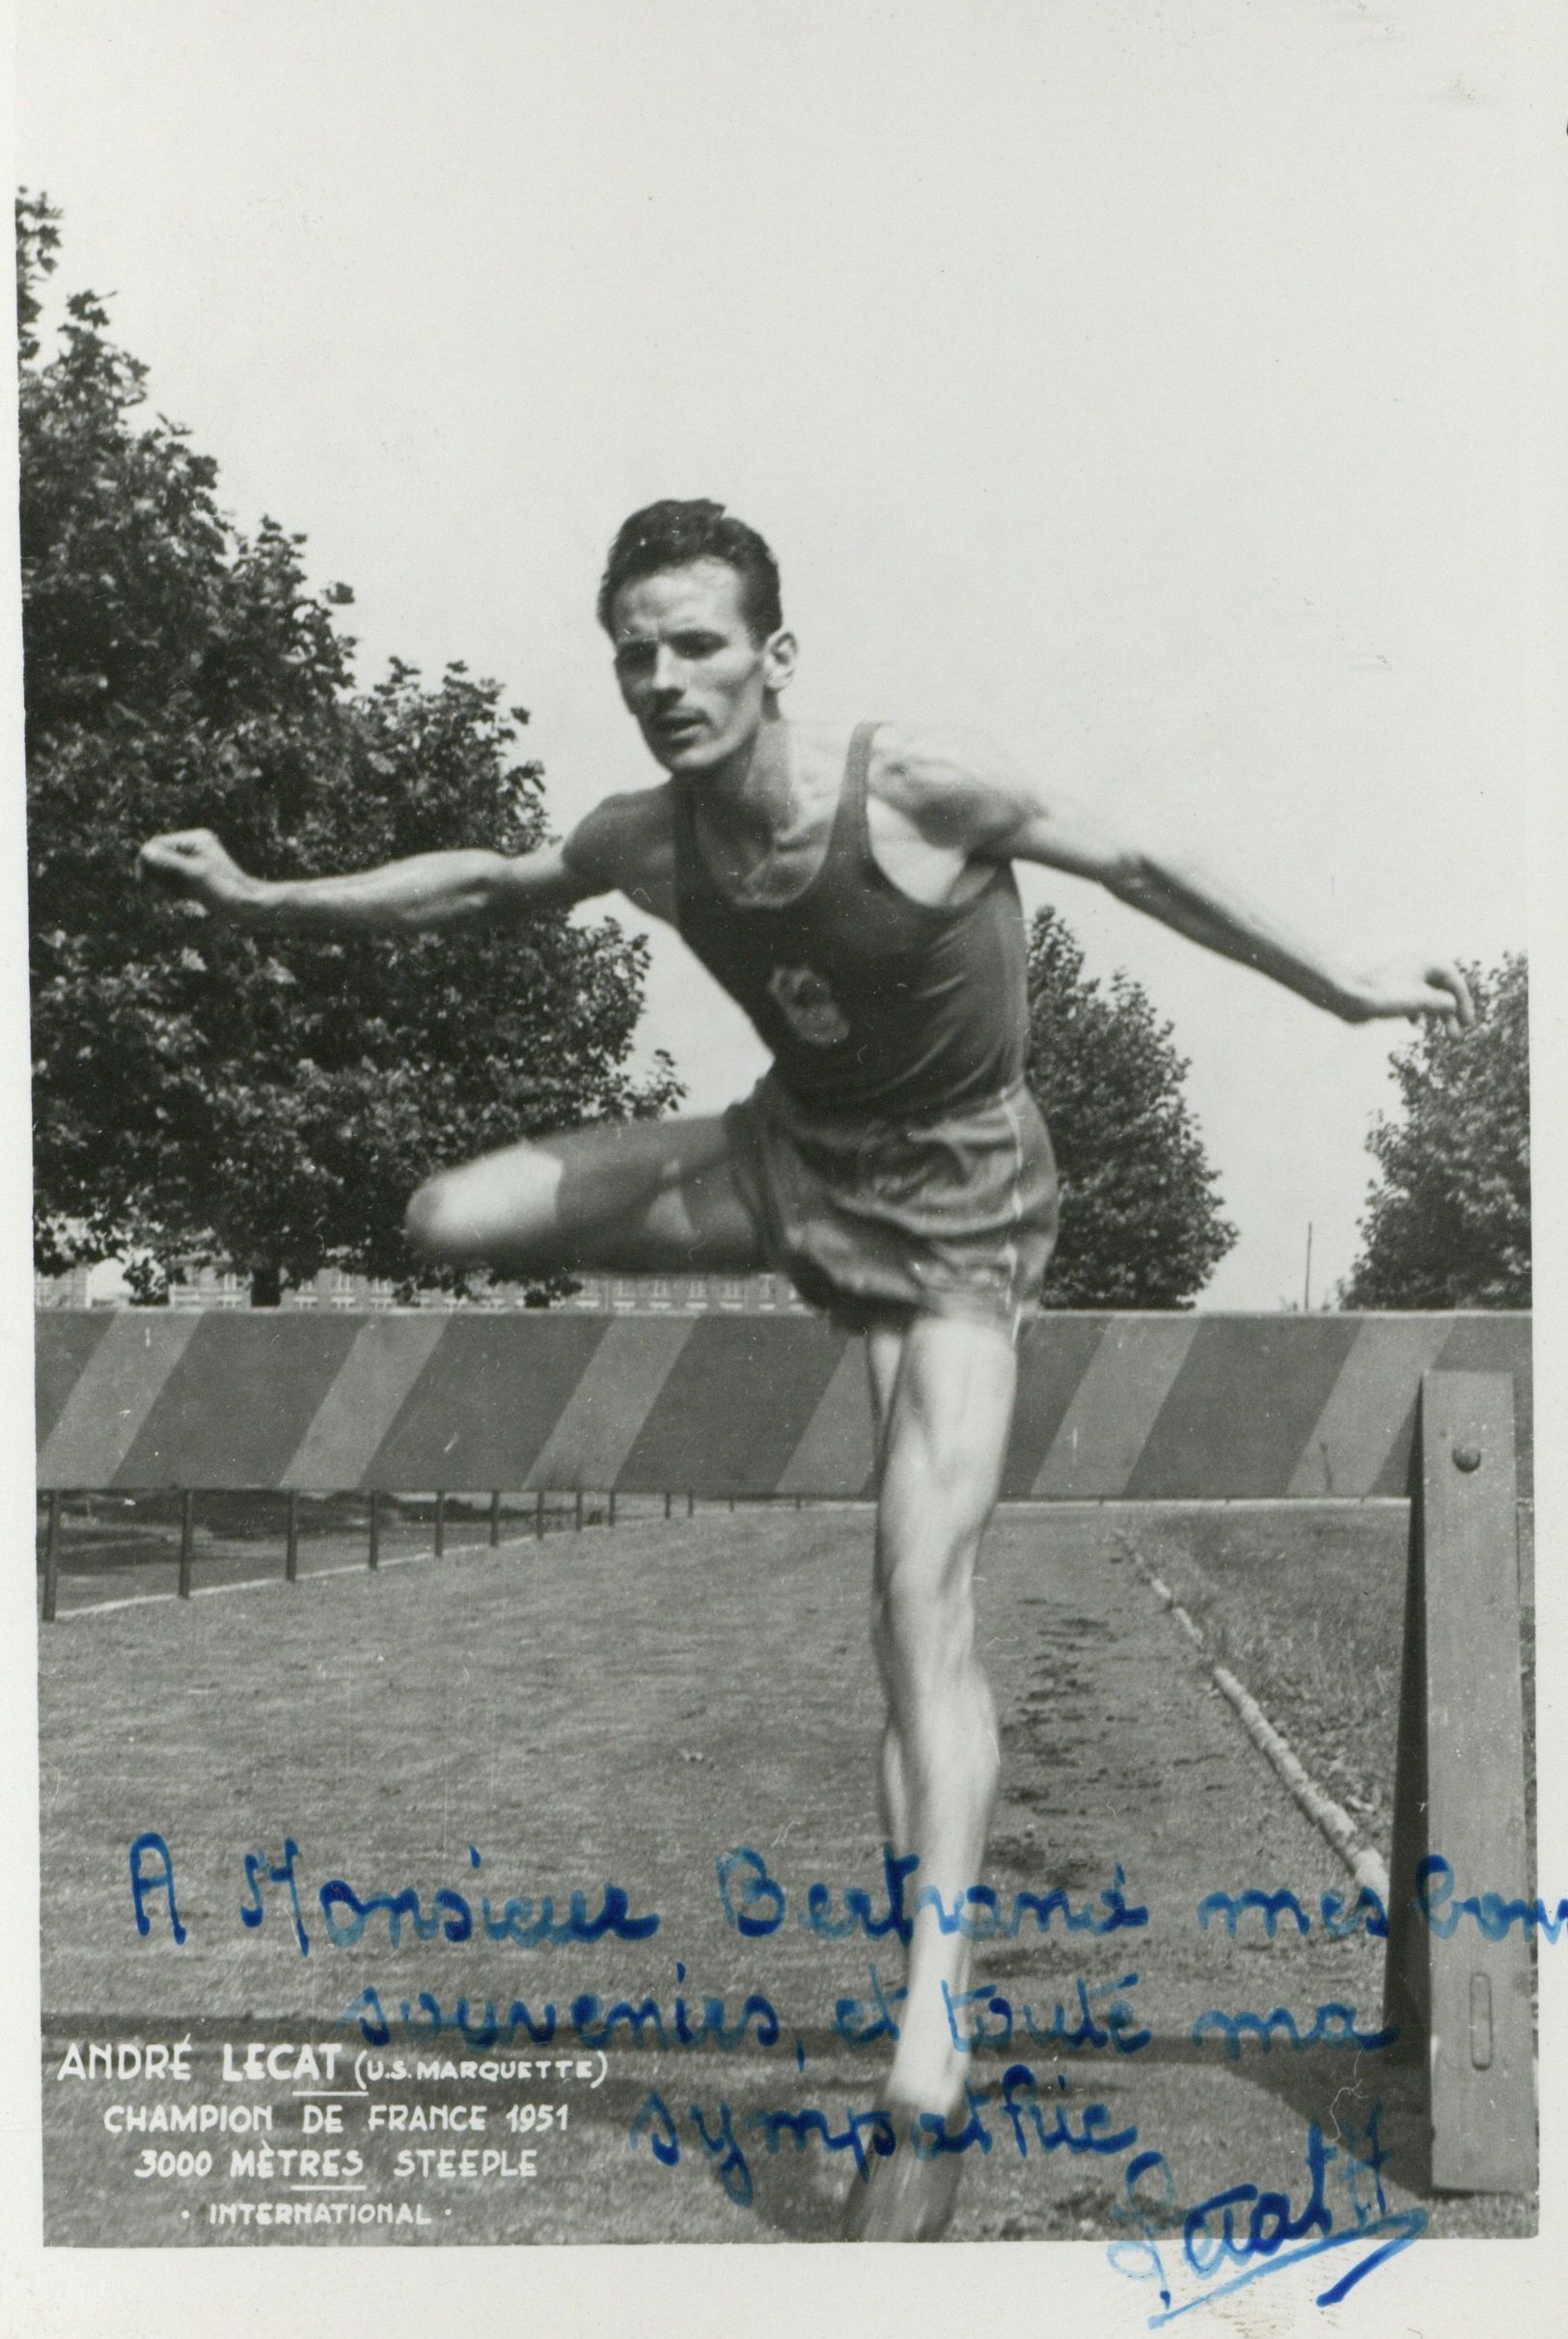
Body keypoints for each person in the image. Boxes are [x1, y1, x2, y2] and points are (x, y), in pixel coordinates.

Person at [138, 498, 1473, 2240]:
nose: (662, 679)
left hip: (968, 1210)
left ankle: (930, 2018)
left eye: (696, 644)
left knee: (916, 1591)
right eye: (634, 652)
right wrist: (263, 898)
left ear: (775, 655)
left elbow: (1141, 865)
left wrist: (1349, 986)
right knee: (449, 1208)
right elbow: (489, 885)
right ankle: (784, 1242)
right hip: (791, 1160)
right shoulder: (652, 838)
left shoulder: (915, 785)